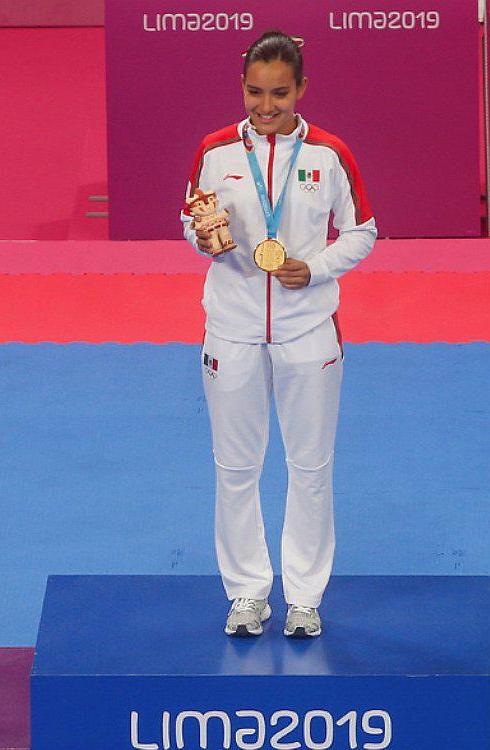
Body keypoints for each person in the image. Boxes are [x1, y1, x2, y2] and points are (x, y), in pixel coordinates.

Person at [180, 30, 376, 639]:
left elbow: (362, 232)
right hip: (232, 328)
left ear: (302, 89)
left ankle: (305, 596)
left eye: (280, 94)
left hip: (308, 329)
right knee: (235, 466)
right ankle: (246, 594)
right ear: (241, 87)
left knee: (310, 466)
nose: (267, 107)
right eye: (255, 93)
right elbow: (191, 217)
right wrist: (203, 237)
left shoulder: (329, 154)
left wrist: (313, 269)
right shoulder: (214, 151)